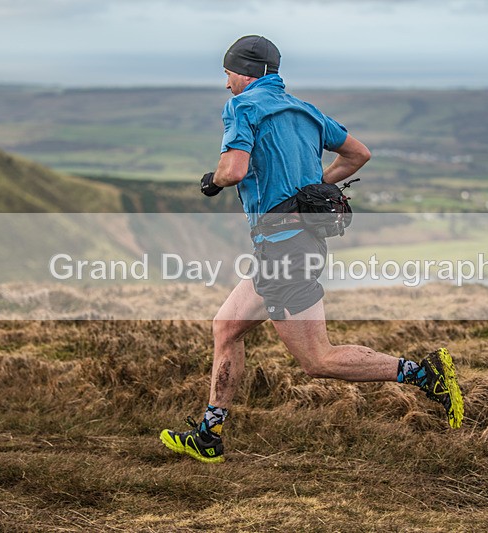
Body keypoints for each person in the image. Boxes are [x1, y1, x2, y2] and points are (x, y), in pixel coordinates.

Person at [160, 35, 463, 464]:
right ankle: (209, 434)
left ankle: (424, 374)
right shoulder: (305, 110)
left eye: (227, 73)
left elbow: (235, 168)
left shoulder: (243, 107)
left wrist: (213, 180)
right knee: (226, 327)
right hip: (293, 244)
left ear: (244, 72)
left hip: (284, 250)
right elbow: (358, 153)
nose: (226, 84)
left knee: (318, 359)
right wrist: (317, 186)